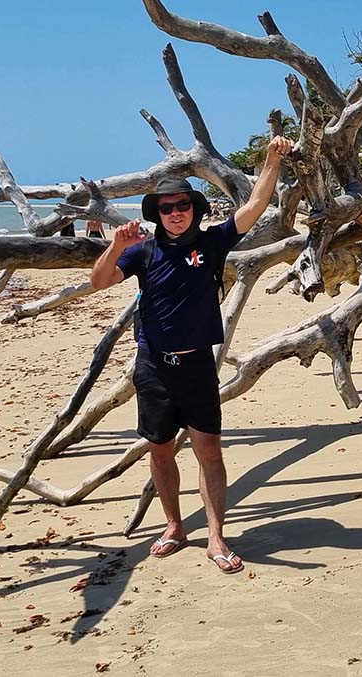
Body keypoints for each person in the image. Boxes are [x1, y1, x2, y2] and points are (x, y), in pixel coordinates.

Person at [89, 136, 293, 574]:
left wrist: (272, 160)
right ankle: (174, 526)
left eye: (182, 205)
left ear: (194, 209)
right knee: (160, 452)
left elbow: (256, 204)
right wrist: (115, 246)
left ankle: (216, 537)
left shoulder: (213, 242)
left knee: (209, 452)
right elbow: (98, 281)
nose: (175, 212)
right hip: (154, 368)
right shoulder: (143, 252)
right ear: (156, 213)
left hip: (197, 364)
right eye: (166, 207)